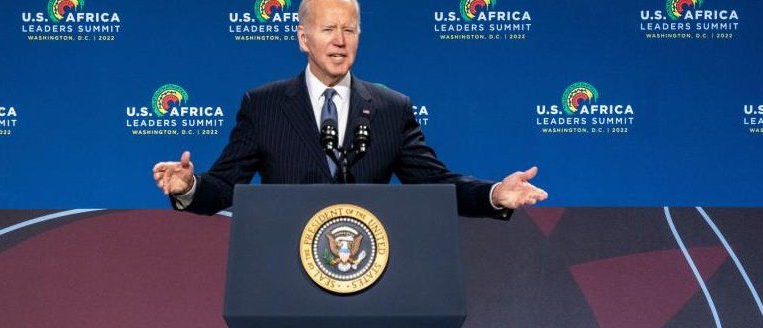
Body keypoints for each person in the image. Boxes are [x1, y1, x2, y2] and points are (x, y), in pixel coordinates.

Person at [153, 0, 547, 218]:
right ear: (304, 39)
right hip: (285, 272)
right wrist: (189, 187)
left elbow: (435, 184)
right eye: (328, 30)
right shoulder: (264, 104)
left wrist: (495, 193)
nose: (340, 41)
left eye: (349, 30)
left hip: (368, 268)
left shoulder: (392, 108)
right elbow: (224, 187)